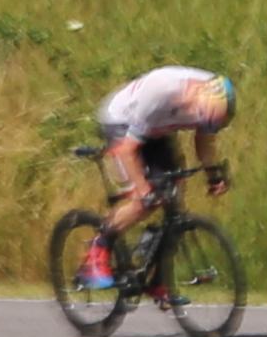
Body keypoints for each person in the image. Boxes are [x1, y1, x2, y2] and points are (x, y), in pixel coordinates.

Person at [84, 63, 235, 281]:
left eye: (212, 123)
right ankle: (97, 250)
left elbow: (203, 142)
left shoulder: (213, 95)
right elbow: (127, 150)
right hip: (121, 121)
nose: (206, 125)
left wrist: (213, 175)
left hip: (154, 128)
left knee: (174, 196)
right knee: (144, 200)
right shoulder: (163, 91)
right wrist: (142, 188)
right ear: (198, 105)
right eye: (205, 120)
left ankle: (158, 279)